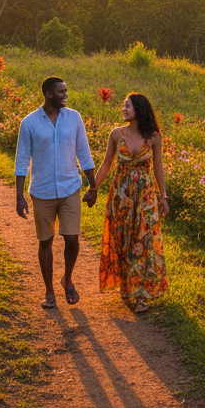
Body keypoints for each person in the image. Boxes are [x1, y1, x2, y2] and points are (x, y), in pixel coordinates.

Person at [15, 76, 97, 309]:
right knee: (46, 241)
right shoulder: (29, 123)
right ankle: (49, 291)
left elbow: (84, 153)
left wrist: (93, 186)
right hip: (42, 191)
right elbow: (21, 160)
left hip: (70, 186)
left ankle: (67, 279)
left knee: (72, 238)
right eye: (61, 91)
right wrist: (19, 196)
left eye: (66, 91)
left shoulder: (74, 118)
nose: (65, 95)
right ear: (48, 94)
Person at [85, 92, 168, 312]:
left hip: (146, 196)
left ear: (138, 109)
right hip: (120, 197)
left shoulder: (153, 137)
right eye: (123, 105)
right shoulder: (116, 134)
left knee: (143, 241)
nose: (123, 109)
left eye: (127, 106)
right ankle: (126, 285)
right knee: (122, 239)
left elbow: (158, 168)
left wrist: (164, 197)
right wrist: (93, 189)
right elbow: (106, 165)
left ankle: (141, 295)